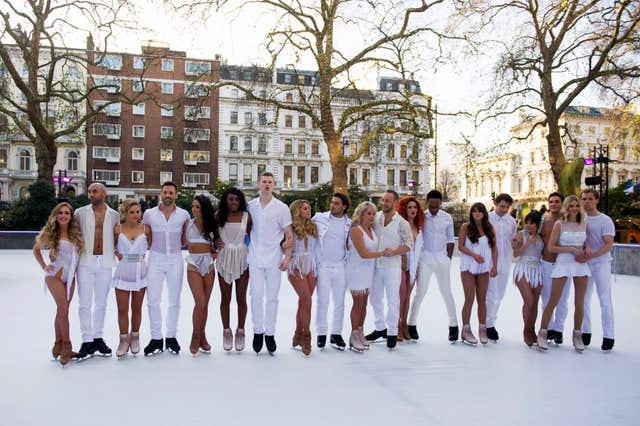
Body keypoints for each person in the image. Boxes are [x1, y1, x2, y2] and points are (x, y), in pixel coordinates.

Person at [246, 172, 293, 355]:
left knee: (272, 298)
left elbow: (289, 234)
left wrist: (287, 257)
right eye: (264, 182)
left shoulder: (281, 208)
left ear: (274, 185)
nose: (266, 185)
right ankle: (258, 332)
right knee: (256, 296)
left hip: (274, 258)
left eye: (270, 182)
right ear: (259, 184)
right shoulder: (250, 206)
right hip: (255, 258)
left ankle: (270, 334)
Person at [33, 202, 84, 365]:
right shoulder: (51, 233)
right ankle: (67, 346)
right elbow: (36, 249)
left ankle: (58, 343)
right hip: (54, 276)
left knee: (62, 310)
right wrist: (44, 266)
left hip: (70, 278)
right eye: (60, 213)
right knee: (63, 309)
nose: (63, 216)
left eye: (67, 213)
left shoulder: (75, 234)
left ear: (71, 216)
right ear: (56, 215)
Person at [73, 183, 120, 360]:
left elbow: (117, 238)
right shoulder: (80, 213)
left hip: (106, 261)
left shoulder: (114, 215)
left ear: (104, 194)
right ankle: (86, 340)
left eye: (95, 191)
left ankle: (98, 337)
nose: (91, 194)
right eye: (90, 191)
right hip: (85, 261)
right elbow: (73, 235)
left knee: (101, 302)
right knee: (84, 302)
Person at [142, 181, 190, 355]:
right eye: (165, 192)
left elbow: (187, 238)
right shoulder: (149, 214)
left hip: (176, 258)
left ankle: (171, 337)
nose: (168, 195)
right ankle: (156, 338)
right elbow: (144, 237)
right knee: (153, 300)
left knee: (174, 300)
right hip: (155, 258)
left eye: (171, 193)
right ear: (160, 194)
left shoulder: (184, 215)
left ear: (176, 195)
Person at [537, 195, 590, 352]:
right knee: (553, 299)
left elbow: (586, 244)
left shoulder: (584, 223)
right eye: (571, 205)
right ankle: (543, 332)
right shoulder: (559, 224)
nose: (574, 208)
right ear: (566, 208)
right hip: (563, 262)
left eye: (576, 205)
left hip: (580, 264)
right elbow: (551, 247)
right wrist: (571, 249)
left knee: (580, 302)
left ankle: (577, 334)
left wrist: (585, 251)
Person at [407, 190, 459, 342]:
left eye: (437, 205)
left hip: (442, 259)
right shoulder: (421, 216)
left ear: (440, 203)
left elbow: (450, 239)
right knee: (420, 292)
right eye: (432, 205)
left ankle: (454, 326)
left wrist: (447, 259)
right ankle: (411, 324)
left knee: (446, 292)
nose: (434, 208)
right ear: (427, 202)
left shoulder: (447, 217)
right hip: (426, 259)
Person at [366, 190, 413, 349]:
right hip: (376, 265)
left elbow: (409, 245)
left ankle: (392, 332)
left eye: (387, 201)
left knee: (393, 300)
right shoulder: (375, 217)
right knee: (375, 298)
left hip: (393, 267)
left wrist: (395, 252)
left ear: (395, 203)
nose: (384, 203)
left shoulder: (402, 223)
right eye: (383, 200)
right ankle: (380, 328)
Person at [112, 199, 151, 358]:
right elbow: (112, 247)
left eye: (138, 211)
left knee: (137, 308)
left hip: (140, 271)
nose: (136, 215)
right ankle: (123, 339)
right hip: (123, 272)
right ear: (124, 213)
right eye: (132, 212)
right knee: (122, 309)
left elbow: (151, 247)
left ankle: (135, 336)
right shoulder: (117, 229)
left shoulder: (146, 229)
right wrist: (116, 253)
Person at [312, 193, 351, 350]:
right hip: (323, 266)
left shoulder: (349, 223)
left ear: (344, 206)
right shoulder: (320, 218)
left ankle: (336, 333)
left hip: (341, 266)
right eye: (332, 202)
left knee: (339, 302)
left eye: (336, 203)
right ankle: (321, 333)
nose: (332, 205)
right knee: (323, 301)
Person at [346, 201, 387, 352]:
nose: (372, 216)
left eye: (373, 214)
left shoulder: (372, 231)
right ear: (361, 214)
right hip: (356, 271)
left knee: (364, 304)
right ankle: (353, 335)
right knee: (357, 304)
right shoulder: (356, 231)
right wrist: (383, 253)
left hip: (369, 271)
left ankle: (360, 331)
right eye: (369, 213)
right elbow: (363, 254)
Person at [215, 188, 251, 352]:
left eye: (237, 199)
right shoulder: (218, 216)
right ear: (225, 201)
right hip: (224, 259)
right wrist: (215, 243)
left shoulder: (246, 216)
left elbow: (253, 236)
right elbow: (212, 236)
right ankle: (226, 330)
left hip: (242, 259)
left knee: (241, 298)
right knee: (225, 298)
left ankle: (241, 330)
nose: (234, 202)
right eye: (231, 199)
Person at [580, 189, 616, 351]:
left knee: (604, 299)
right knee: (584, 299)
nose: (586, 201)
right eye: (584, 199)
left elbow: (608, 244)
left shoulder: (605, 220)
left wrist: (593, 255)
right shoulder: (580, 219)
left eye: (590, 199)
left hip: (601, 263)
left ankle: (608, 335)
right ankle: (585, 332)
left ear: (596, 200)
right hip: (585, 264)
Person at [458, 203, 498, 345]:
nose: (477, 214)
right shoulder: (465, 227)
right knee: (469, 298)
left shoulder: (489, 228)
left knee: (482, 299)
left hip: (484, 268)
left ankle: (482, 328)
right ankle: (466, 329)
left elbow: (494, 248)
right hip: (468, 266)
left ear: (484, 213)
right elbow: (460, 246)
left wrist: (494, 265)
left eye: (480, 211)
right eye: (474, 211)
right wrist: (474, 255)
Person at [185, 195, 217, 355]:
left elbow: (219, 242)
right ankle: (195, 336)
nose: (194, 209)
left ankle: (203, 336)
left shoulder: (212, 223)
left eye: (197, 206)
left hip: (209, 265)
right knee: (200, 302)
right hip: (193, 264)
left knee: (205, 304)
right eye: (193, 206)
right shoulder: (187, 223)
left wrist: (217, 250)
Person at [288, 200, 319, 356]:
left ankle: (297, 333)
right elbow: (283, 246)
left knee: (303, 302)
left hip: (311, 265)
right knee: (307, 300)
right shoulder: (291, 228)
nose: (308, 210)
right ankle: (307, 336)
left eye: (309, 208)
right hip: (296, 265)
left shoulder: (313, 226)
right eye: (304, 208)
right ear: (297, 211)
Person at [486, 193, 517, 342]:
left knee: (500, 294)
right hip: (490, 261)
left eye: (507, 207)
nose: (504, 209)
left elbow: (513, 240)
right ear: (495, 204)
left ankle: (491, 320)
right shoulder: (487, 219)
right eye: (502, 206)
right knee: (491, 294)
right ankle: (488, 324)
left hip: (506, 260)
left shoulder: (511, 221)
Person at [539, 192, 569, 345]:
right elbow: (536, 240)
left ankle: (559, 330)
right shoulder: (543, 221)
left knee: (563, 299)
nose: (554, 204)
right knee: (547, 298)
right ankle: (548, 328)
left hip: (564, 264)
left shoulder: (569, 221)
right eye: (551, 201)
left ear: (562, 203)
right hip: (547, 263)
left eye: (557, 201)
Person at [511, 211, 543, 347]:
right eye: (527, 222)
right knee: (529, 300)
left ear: (537, 225)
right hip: (523, 267)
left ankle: (532, 329)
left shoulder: (542, 237)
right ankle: (526, 330)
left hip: (537, 269)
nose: (529, 226)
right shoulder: (521, 234)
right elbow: (515, 254)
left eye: (532, 223)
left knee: (534, 302)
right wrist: (526, 244)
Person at [396, 196, 425, 342]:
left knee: (407, 297)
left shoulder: (419, 227)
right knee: (401, 296)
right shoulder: (400, 224)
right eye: (409, 207)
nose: (412, 210)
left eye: (415, 207)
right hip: (401, 262)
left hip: (413, 265)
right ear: (404, 209)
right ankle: (397, 326)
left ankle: (404, 323)